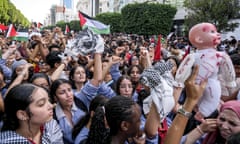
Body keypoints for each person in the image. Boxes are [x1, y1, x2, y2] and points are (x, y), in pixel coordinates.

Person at [175, 22, 236, 120]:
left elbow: (228, 72)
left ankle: (201, 115)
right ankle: (199, 116)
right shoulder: (193, 56)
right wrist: (178, 85)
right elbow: (182, 73)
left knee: (210, 103)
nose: (217, 34)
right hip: (195, 87)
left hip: (210, 86)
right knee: (201, 104)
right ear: (199, 39)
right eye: (212, 32)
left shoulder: (220, 55)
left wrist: (230, 85)